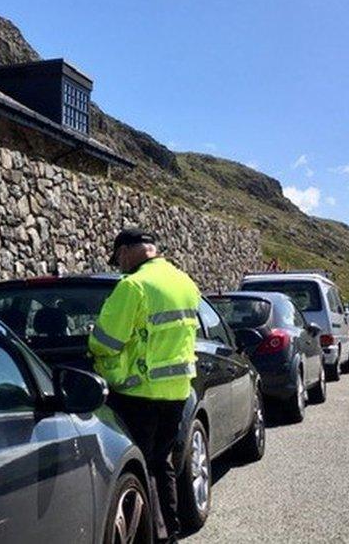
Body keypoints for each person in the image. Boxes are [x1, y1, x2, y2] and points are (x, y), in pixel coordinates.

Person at [88, 228, 201, 543]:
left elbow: (105, 342)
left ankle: (152, 534)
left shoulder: (133, 286)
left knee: (138, 465)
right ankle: (169, 530)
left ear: (126, 251)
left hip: (138, 392)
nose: (119, 266)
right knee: (161, 461)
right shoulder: (184, 283)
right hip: (177, 391)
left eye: (118, 259)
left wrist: (92, 345)